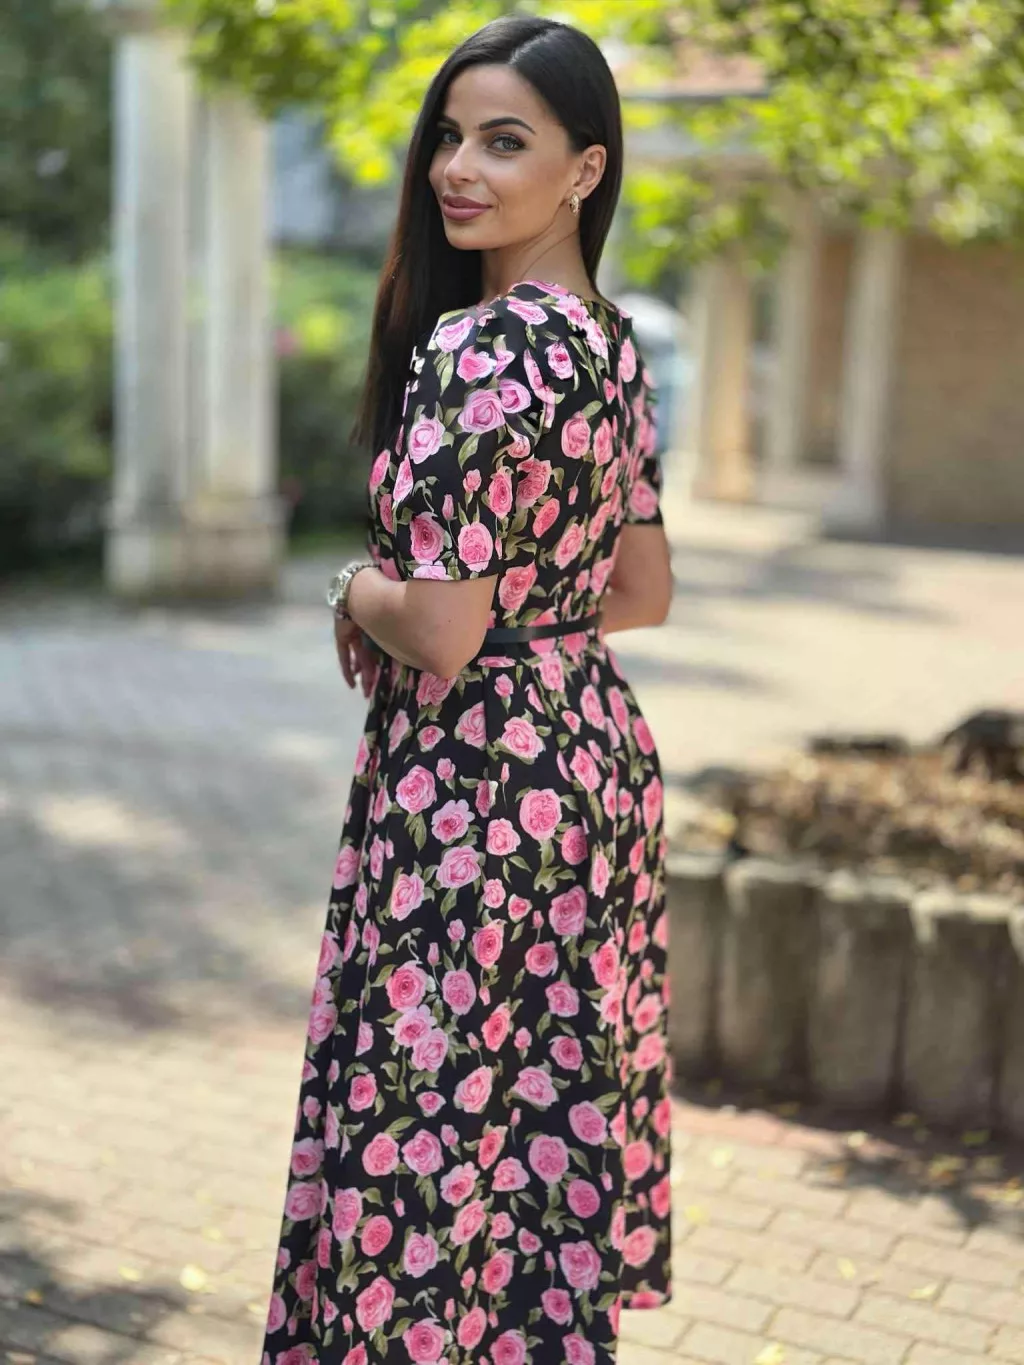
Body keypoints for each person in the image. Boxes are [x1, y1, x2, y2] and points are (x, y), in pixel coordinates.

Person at [260, 13, 674, 1364]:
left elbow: (440, 629)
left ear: (584, 170)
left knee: (423, 1142)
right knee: (533, 1132)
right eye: (450, 136)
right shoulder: (607, 345)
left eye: (504, 142)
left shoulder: (481, 350)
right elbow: (641, 591)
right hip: (587, 760)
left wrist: (353, 587)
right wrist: (524, 614)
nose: (458, 168)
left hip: (472, 786)